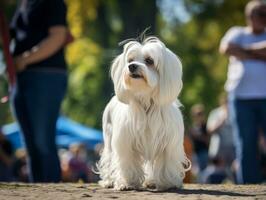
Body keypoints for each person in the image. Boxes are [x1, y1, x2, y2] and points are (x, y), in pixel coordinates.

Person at [10, 0, 68, 182]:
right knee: (31, 146)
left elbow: (58, 36)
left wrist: (25, 59)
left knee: (43, 143)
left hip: (46, 74)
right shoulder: (23, 4)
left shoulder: (51, 3)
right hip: (21, 76)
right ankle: (38, 190)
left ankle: (51, 191)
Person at [219, 0, 266, 184]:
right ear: (250, 16)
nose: (264, 18)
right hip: (241, 99)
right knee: (246, 144)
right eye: (261, 14)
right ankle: (249, 186)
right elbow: (226, 48)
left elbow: (235, 50)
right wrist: (259, 55)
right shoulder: (236, 32)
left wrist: (243, 53)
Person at [189, 104, 209, 174]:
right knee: (197, 172)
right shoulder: (193, 127)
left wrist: (198, 136)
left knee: (204, 171)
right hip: (195, 153)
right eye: (196, 114)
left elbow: (208, 139)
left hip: (204, 152)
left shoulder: (206, 126)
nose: (198, 116)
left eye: (200, 114)